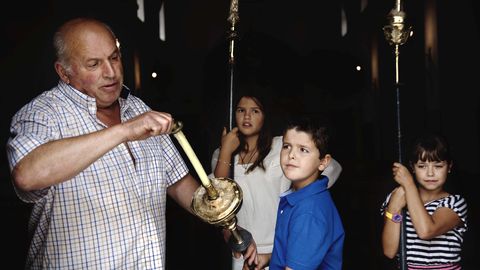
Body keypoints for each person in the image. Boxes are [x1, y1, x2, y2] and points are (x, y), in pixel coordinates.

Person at [6, 17, 256, 269]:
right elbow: (27, 176)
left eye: (114, 58)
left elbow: (182, 186)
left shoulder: (138, 109)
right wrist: (124, 131)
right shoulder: (42, 114)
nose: (111, 72)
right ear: (64, 72)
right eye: (94, 64)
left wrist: (225, 224)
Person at [210, 93, 342, 270]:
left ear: (265, 115)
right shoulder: (222, 153)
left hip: (282, 244)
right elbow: (216, 201)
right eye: (241, 110)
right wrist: (226, 150)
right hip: (249, 251)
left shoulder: (281, 145)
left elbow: (332, 168)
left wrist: (305, 196)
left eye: (255, 111)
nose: (247, 116)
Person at [380, 134, 468, 269]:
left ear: (449, 167)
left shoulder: (455, 203)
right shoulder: (397, 197)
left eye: (438, 166)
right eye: (422, 166)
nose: (430, 173)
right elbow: (389, 251)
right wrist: (394, 207)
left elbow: (426, 231)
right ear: (412, 167)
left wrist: (409, 184)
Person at [269, 116, 345, 270]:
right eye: (286, 146)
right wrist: (268, 259)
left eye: (303, 150)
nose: (291, 155)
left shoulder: (309, 212)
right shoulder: (301, 196)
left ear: (323, 162)